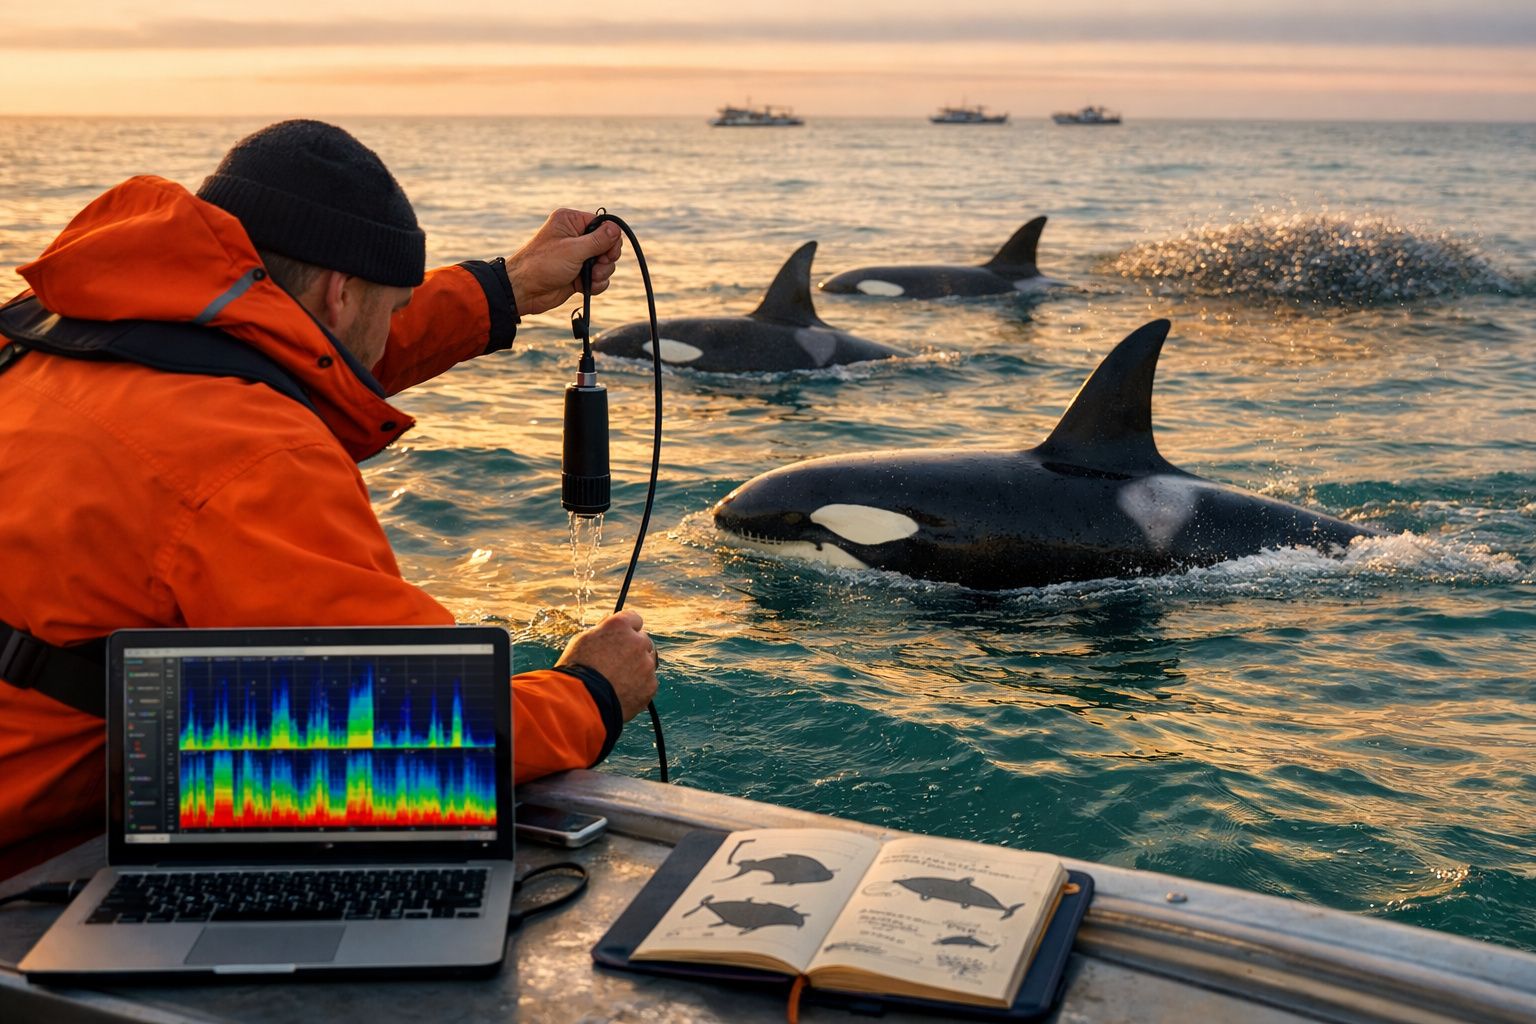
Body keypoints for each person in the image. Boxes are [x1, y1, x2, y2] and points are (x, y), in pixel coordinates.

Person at [0, 119, 660, 878]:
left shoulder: (53, 331)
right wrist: (591, 691)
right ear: (342, 293)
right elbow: (415, 741)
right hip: (28, 869)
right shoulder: (252, 457)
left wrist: (503, 289)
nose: (390, 332)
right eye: (394, 303)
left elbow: (312, 347)